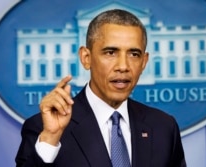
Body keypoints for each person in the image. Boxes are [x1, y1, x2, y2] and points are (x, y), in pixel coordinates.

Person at [15, 9, 186, 167]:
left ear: (144, 62)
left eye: (134, 54)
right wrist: (50, 139)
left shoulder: (164, 127)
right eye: (110, 52)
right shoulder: (43, 128)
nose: (123, 66)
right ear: (86, 58)